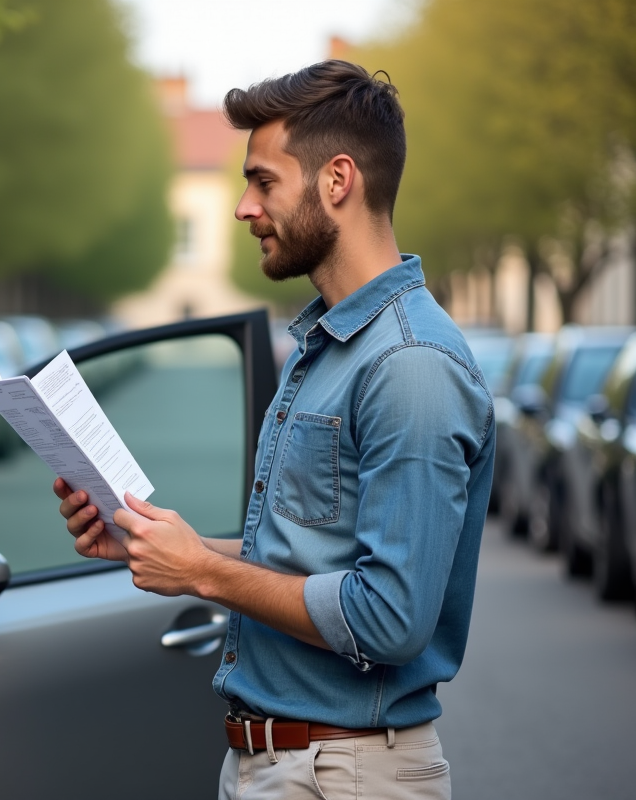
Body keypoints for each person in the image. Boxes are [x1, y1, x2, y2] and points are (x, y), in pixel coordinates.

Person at [54, 60, 494, 800]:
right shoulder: (331, 347)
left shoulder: (411, 364)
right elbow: (306, 558)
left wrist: (203, 572)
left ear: (337, 181)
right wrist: (157, 542)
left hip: (344, 774)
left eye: (263, 182)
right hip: (288, 767)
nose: (242, 208)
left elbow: (389, 618)